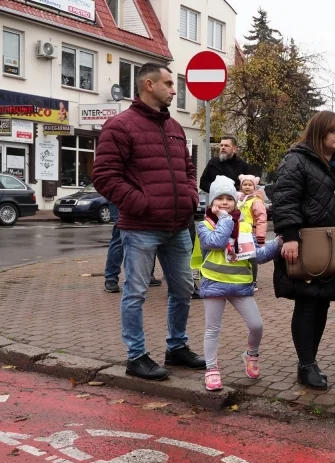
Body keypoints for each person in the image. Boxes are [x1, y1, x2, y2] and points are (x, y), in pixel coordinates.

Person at [93, 62, 204, 380]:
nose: (174, 90)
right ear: (149, 85)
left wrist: (190, 197)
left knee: (183, 289)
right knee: (136, 293)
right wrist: (141, 204)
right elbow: (104, 176)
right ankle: (136, 356)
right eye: (169, 84)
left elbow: (188, 170)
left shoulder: (175, 128)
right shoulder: (120, 126)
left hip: (178, 226)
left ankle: (176, 348)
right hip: (141, 227)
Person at [272, 111, 335, 390]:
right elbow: (285, 199)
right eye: (334, 131)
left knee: (322, 304)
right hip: (307, 246)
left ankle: (310, 361)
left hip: (333, 246)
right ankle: (305, 364)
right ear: (319, 131)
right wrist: (291, 236)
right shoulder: (296, 160)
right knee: (307, 303)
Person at [194, 176, 282, 391]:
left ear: (235, 201)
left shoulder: (243, 226)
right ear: (211, 202)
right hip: (214, 284)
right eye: (219, 198)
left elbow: (256, 256)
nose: (224, 202)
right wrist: (226, 219)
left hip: (241, 285)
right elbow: (216, 242)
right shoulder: (204, 225)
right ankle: (212, 369)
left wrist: (278, 243)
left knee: (256, 325)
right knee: (212, 329)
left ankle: (251, 355)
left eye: (229, 199)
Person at [104, 203, 162, 293]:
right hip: (121, 199)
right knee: (120, 236)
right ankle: (111, 278)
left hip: (143, 198)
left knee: (149, 234)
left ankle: (147, 274)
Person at [237, 174, 268, 291]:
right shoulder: (238, 200)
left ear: (254, 187)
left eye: (250, 185)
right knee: (241, 257)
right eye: (245, 184)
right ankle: (242, 278)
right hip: (240, 234)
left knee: (252, 258)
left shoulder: (256, 201)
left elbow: (261, 219)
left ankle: (253, 280)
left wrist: (260, 237)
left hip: (252, 235)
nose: (247, 187)